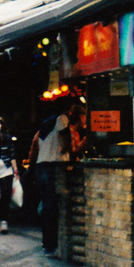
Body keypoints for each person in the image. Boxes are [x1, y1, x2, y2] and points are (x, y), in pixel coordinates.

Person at [28, 100, 85, 257]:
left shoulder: (45, 123)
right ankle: (51, 246)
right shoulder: (62, 119)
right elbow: (64, 145)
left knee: (48, 206)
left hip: (42, 166)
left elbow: (35, 145)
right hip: (54, 166)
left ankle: (48, 244)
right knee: (53, 206)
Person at [0, 116, 19, 234]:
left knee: (5, 196)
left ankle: (4, 221)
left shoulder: (7, 138)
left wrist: (15, 170)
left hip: (6, 169)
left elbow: (12, 155)